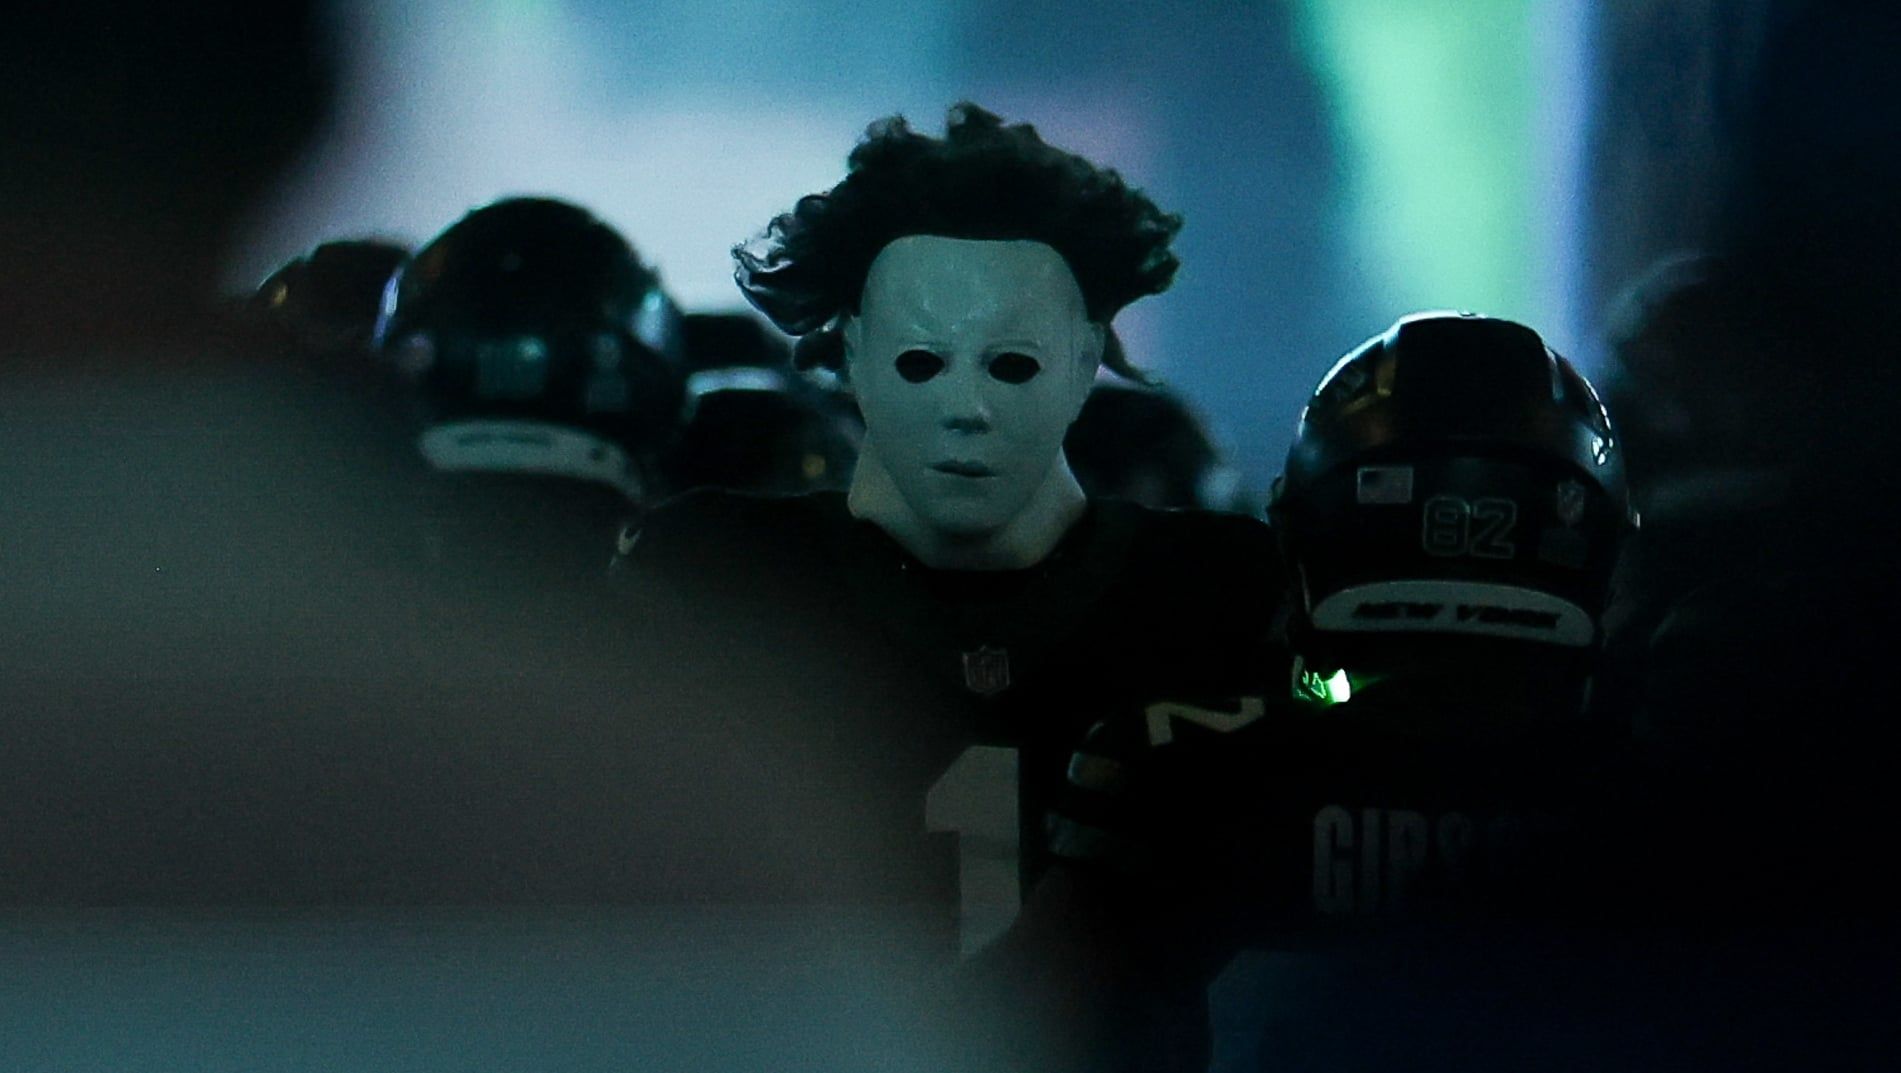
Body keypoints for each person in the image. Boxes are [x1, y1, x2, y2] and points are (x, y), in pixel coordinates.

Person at [610, 104, 1283, 1064]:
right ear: (848, 350)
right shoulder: (713, 574)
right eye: (921, 362)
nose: (964, 409)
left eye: (1010, 365)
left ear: (1089, 356)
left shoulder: (1218, 591)